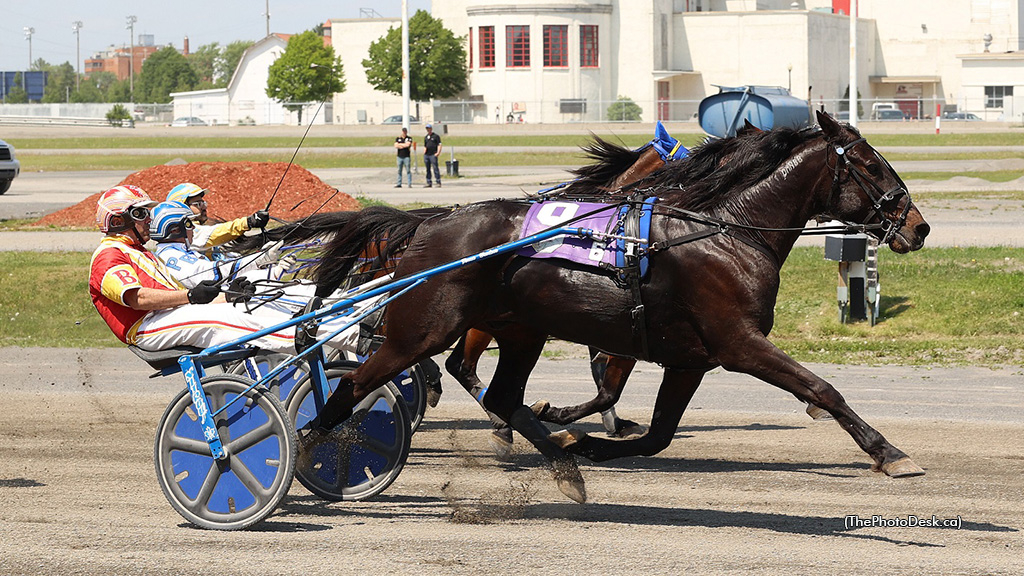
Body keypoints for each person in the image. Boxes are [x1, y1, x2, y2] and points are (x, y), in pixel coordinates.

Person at [89, 185, 363, 355]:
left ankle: (350, 324)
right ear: (118, 220)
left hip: (166, 316)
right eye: (141, 214)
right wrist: (192, 297)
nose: (149, 219)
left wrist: (228, 297)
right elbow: (139, 299)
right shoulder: (108, 256)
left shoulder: (141, 252)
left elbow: (184, 294)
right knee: (227, 320)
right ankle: (346, 335)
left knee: (245, 308)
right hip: (145, 327)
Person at [148, 199, 384, 354]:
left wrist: (271, 268)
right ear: (175, 229)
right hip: (219, 304)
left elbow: (224, 272)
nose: (193, 229)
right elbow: (215, 274)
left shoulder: (183, 251)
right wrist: (262, 260)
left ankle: (358, 308)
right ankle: (350, 327)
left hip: (229, 296)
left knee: (301, 287)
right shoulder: (172, 257)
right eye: (188, 225)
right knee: (290, 295)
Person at [165, 182, 270, 254]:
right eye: (198, 204)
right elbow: (213, 234)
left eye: (203, 203)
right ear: (182, 207)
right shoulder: (187, 233)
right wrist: (248, 222)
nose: (204, 207)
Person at [423, 123, 442, 188]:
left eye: (429, 128)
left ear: (431, 129)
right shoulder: (426, 137)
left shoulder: (436, 136)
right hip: (427, 155)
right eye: (427, 129)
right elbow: (425, 145)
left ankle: (438, 181)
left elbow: (439, 145)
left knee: (435, 168)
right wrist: (424, 152)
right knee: (428, 169)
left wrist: (438, 153)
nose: (428, 130)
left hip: (433, 154)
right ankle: (429, 182)